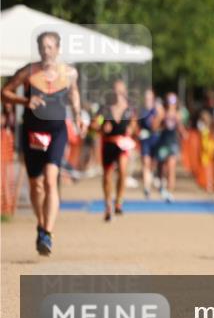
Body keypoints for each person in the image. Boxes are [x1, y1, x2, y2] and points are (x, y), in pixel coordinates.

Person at [1, 31, 83, 255]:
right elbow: (4, 92)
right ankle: (40, 224)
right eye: (42, 47)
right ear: (39, 49)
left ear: (57, 49)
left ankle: (47, 232)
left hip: (57, 131)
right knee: (36, 185)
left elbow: (74, 93)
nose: (46, 51)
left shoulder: (69, 73)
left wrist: (76, 114)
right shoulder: (29, 72)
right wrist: (26, 100)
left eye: (50, 47)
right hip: (32, 133)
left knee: (50, 180)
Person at [99, 80, 136, 221]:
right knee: (107, 175)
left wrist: (131, 129)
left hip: (123, 144)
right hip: (108, 143)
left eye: (121, 91)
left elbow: (134, 124)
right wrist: (103, 126)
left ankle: (118, 202)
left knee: (122, 170)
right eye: (116, 91)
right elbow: (97, 122)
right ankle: (108, 203)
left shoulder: (129, 109)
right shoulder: (105, 108)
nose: (118, 94)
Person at [156, 92, 185, 202]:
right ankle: (161, 185)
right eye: (169, 101)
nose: (171, 103)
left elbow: (181, 130)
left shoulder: (178, 114)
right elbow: (156, 127)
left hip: (173, 142)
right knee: (161, 166)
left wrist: (179, 124)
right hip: (163, 142)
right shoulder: (162, 112)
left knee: (171, 166)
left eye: (173, 101)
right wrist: (160, 119)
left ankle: (170, 192)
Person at [138, 89, 163, 198]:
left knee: (153, 163)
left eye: (150, 97)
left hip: (154, 138)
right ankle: (146, 188)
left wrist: (158, 116)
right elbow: (136, 125)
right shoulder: (141, 110)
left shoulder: (156, 110)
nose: (148, 99)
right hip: (144, 140)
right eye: (146, 97)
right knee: (145, 162)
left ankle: (153, 176)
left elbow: (156, 126)